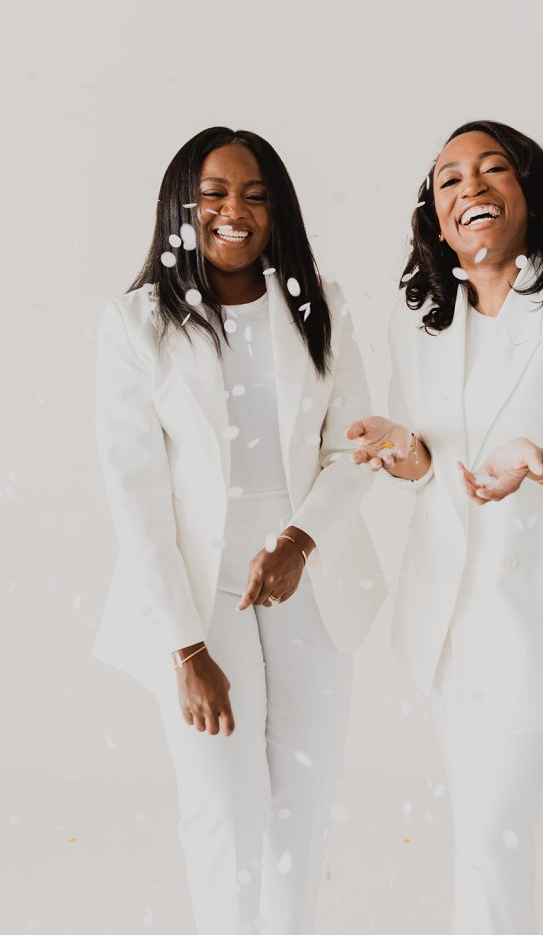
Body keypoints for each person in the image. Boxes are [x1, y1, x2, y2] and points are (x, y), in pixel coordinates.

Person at [346, 120, 543, 934]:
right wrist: (405, 454)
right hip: (448, 623)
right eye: (448, 180)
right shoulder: (420, 323)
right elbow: (432, 463)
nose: (469, 189)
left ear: (528, 192)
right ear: (436, 215)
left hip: (541, 624)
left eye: (491, 171)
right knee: (486, 840)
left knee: (489, 839)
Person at [93, 126, 385, 935]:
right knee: (223, 813)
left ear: (277, 210)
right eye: (214, 194)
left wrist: (299, 542)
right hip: (197, 594)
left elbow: (356, 447)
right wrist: (186, 651)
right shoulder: (136, 324)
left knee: (302, 806)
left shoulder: (316, 303)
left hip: (308, 584)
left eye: (255, 195)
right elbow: (136, 495)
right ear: (180, 208)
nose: (234, 211)